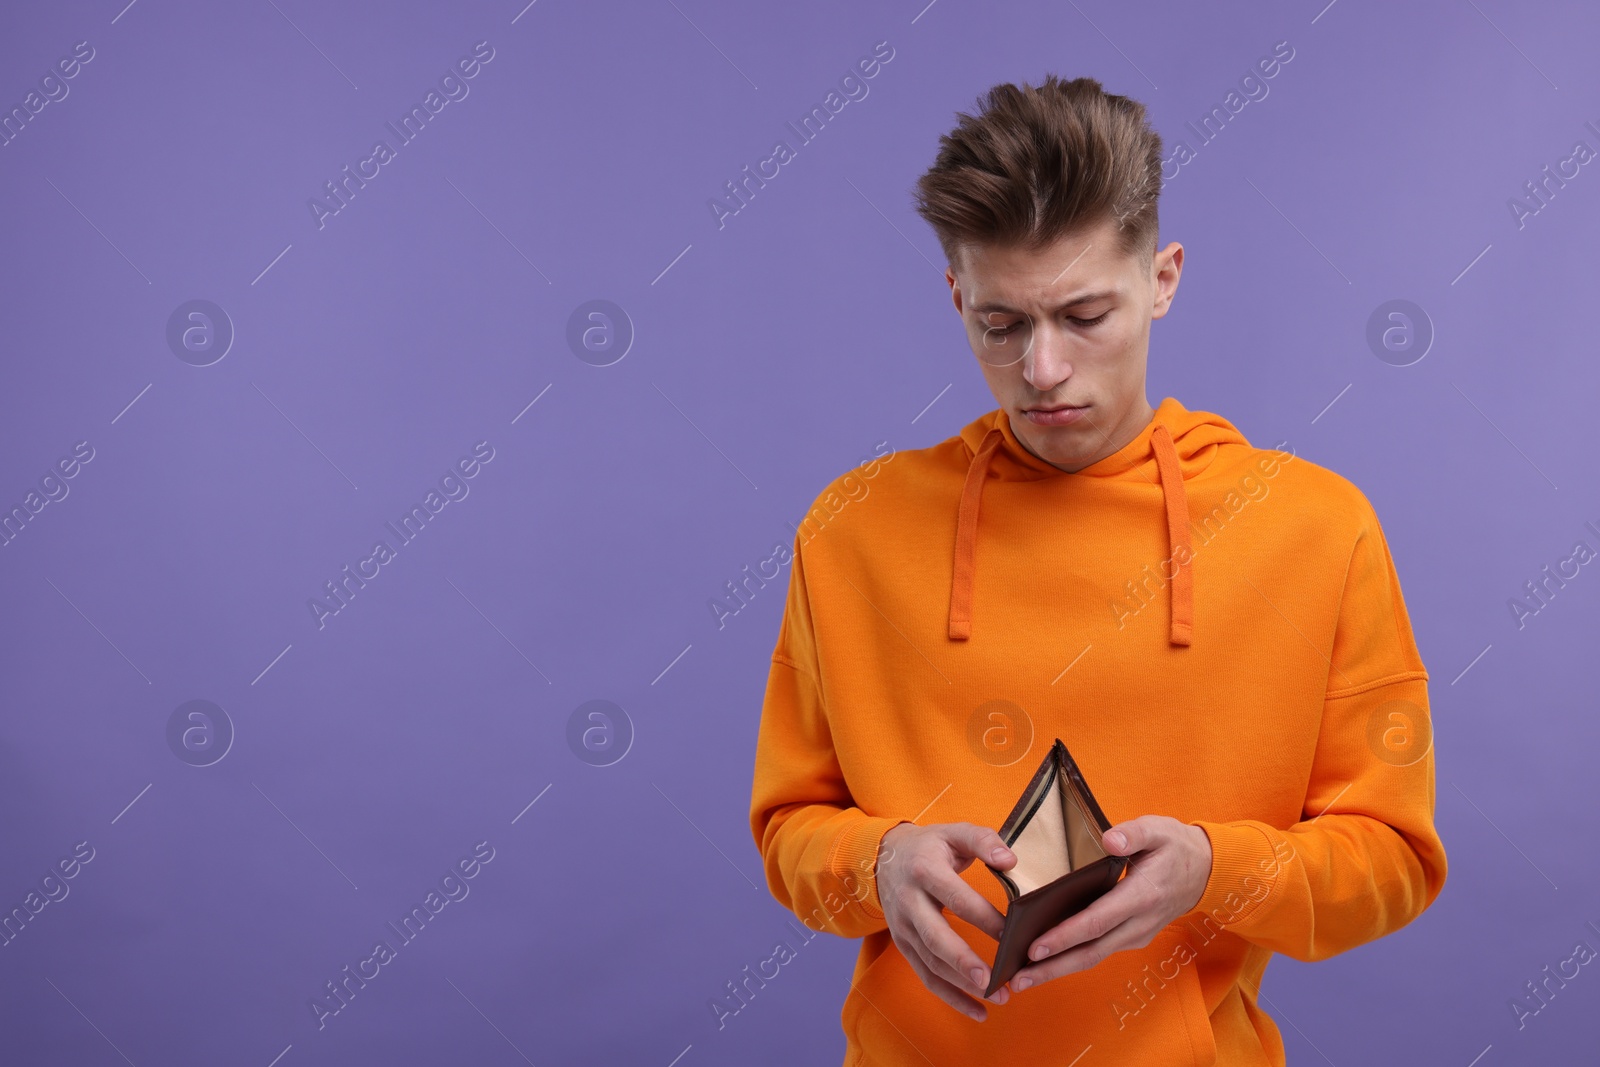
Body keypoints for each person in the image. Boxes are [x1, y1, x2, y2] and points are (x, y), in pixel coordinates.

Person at [747, 74, 1446, 1065]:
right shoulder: (851, 527)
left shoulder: (1316, 528)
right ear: (955, 297)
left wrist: (1214, 866)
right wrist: (879, 857)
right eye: (1000, 325)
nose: (1041, 370)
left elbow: (1393, 861)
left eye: (1083, 316)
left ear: (1162, 279)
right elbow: (789, 827)